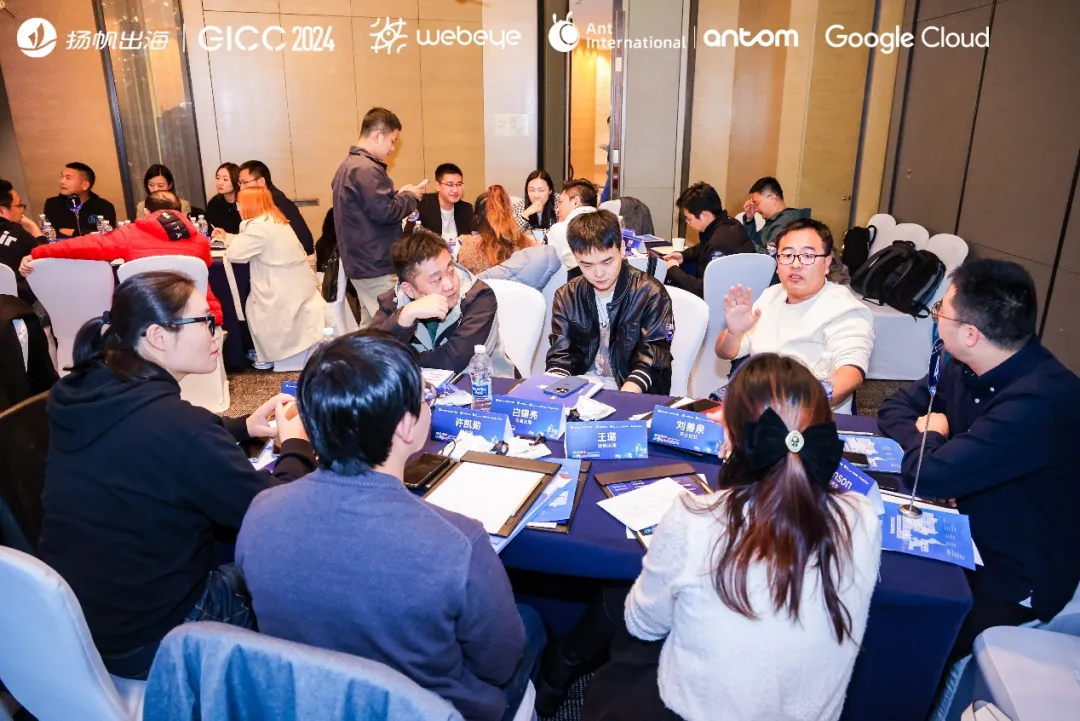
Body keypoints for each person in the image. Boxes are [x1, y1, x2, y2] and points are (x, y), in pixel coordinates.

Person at [237, 331, 545, 721]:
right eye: (426, 398)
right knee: (531, 624)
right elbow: (499, 664)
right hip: (432, 710)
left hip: (310, 703)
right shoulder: (457, 542)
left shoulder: (261, 513)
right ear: (405, 427)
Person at [36, 271, 316, 679]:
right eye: (206, 321)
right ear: (158, 337)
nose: (218, 333)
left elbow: (146, 440)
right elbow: (279, 516)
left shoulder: (80, 393)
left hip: (84, 621)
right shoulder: (180, 428)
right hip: (160, 638)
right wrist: (297, 446)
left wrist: (240, 427)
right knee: (302, 569)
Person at [580, 354, 881, 721]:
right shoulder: (863, 517)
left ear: (731, 436)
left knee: (624, 629)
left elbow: (643, 622)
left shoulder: (695, 519)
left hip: (696, 713)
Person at [878, 259, 1080, 662]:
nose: (936, 316)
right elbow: (894, 408)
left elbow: (926, 475)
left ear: (970, 334)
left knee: (901, 636)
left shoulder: (1040, 401)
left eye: (941, 310)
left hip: (1010, 571)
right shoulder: (968, 364)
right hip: (962, 524)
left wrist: (934, 440)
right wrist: (941, 454)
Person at [714, 218, 873, 413]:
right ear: (777, 263)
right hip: (759, 406)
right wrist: (734, 333)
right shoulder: (771, 295)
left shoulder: (845, 309)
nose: (796, 264)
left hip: (811, 414)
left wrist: (793, 405)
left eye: (807, 256)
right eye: (788, 255)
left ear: (826, 263)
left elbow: (852, 372)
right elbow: (725, 353)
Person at [23, 191, 223, 326]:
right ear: (178, 212)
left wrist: (38, 252)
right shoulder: (199, 239)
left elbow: (84, 246)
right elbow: (204, 270)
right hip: (197, 314)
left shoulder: (130, 233)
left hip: (145, 315)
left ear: (146, 212)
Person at [546, 210, 674, 394]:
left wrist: (623, 397)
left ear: (621, 248)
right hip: (582, 388)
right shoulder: (567, 295)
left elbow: (652, 358)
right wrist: (556, 393)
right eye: (587, 265)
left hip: (632, 388)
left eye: (607, 262)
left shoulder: (650, 294)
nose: (598, 273)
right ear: (575, 257)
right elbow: (560, 356)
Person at [373, 229, 512, 377]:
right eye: (436, 280)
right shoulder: (393, 302)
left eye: (451, 271)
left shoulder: (479, 296)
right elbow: (370, 356)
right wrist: (405, 315)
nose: (449, 285)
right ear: (409, 290)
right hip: (423, 388)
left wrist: (398, 360)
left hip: (488, 386)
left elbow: (453, 361)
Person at [214, 187, 326, 369]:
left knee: (253, 307)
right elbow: (251, 244)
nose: (237, 208)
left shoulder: (257, 226)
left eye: (240, 204)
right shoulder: (273, 219)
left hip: (279, 286)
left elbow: (235, 254)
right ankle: (266, 353)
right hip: (297, 282)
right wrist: (228, 237)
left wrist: (235, 234)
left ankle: (268, 355)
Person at [332, 106, 424, 325]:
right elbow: (386, 212)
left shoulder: (348, 166)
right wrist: (411, 197)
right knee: (391, 325)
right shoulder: (366, 169)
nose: (392, 148)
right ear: (377, 135)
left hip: (361, 262)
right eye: (392, 141)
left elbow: (372, 207)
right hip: (376, 264)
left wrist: (397, 196)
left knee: (371, 327)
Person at [664, 182, 755, 297]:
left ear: (704, 215)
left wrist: (673, 270)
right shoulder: (729, 223)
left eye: (689, 219)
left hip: (725, 300)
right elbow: (704, 246)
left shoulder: (719, 244)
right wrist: (683, 255)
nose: (688, 223)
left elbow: (704, 291)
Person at [237, 160, 314, 255]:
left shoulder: (274, 201)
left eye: (245, 182)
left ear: (261, 181)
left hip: (301, 257)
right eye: (240, 184)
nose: (241, 188)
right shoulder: (269, 197)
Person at [457, 185, 534, 275]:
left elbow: (464, 277)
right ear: (510, 214)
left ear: (477, 218)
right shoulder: (525, 243)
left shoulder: (470, 247)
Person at [0, 178, 45, 304]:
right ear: (1, 210)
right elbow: (46, 260)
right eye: (19, 205)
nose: (22, 210)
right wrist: (33, 227)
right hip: (15, 306)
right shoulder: (17, 233)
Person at [42, 162, 117, 237]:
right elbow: (50, 233)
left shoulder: (104, 207)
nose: (62, 182)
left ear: (85, 185)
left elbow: (108, 236)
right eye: (62, 177)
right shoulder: (53, 204)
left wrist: (74, 232)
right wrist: (87, 233)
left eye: (68, 178)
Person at [740, 176, 810, 255]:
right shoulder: (775, 220)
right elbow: (756, 242)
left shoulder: (786, 223)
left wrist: (742, 242)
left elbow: (769, 257)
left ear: (772, 199)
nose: (755, 209)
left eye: (756, 204)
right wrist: (749, 220)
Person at [405, 162, 473, 241]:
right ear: (438, 186)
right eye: (450, 185)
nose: (455, 190)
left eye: (459, 184)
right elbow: (407, 238)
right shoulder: (422, 205)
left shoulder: (466, 209)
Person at [546, 178, 599, 271]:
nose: (557, 209)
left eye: (561, 202)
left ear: (575, 202)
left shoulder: (560, 229)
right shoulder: (609, 223)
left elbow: (546, 266)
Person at [512, 170, 557, 237]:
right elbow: (511, 234)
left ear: (550, 190)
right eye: (532, 190)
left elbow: (561, 232)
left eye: (541, 190)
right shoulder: (519, 207)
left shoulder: (559, 204)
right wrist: (526, 213)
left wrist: (534, 233)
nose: (536, 196)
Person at [205, 162, 242, 234]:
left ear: (236, 181)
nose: (220, 183)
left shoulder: (244, 203)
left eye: (225, 179)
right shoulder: (214, 203)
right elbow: (210, 229)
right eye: (218, 178)